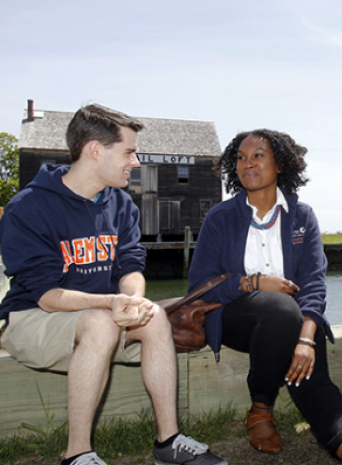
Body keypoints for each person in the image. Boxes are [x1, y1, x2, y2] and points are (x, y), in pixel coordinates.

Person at [0, 104, 225, 465]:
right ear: (94, 150)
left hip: (99, 318)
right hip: (32, 318)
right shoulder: (28, 208)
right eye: (128, 151)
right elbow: (46, 295)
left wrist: (133, 299)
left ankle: (168, 442)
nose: (134, 162)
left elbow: (131, 265)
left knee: (151, 314)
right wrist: (109, 304)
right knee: (101, 322)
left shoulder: (121, 204)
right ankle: (78, 455)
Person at [187, 129, 342, 465]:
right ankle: (261, 407)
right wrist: (252, 283)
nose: (247, 164)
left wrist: (306, 340)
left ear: (280, 165)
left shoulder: (302, 216)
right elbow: (200, 286)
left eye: (258, 155)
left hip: (293, 321)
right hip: (236, 318)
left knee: (314, 377)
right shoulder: (220, 217)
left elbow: (315, 285)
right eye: (241, 158)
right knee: (279, 307)